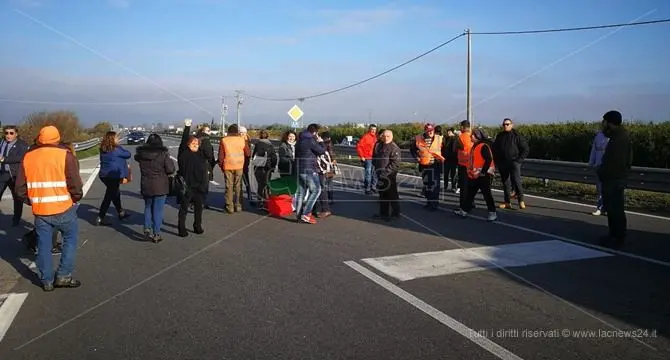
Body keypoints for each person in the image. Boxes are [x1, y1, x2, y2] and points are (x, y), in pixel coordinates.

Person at [14, 126, 83, 291]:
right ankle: (63, 276)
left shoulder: (28, 157)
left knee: (43, 245)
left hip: (41, 211)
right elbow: (75, 185)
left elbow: (19, 190)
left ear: (40, 139)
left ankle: (46, 280)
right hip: (64, 208)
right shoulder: (65, 155)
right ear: (57, 139)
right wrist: (74, 198)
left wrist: (33, 201)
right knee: (70, 240)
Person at [597, 110, 632, 248]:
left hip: (614, 180)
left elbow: (614, 162)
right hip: (616, 179)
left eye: (604, 121)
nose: (603, 125)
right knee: (614, 209)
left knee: (615, 209)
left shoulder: (619, 140)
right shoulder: (620, 137)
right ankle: (615, 235)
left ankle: (616, 237)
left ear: (610, 123)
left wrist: (602, 172)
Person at [134, 133, 176, 242]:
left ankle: (147, 228)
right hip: (160, 185)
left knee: (148, 207)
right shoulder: (163, 154)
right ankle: (156, 234)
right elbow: (171, 169)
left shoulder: (141, 155)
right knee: (158, 210)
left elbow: (136, 158)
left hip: (146, 184)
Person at [453, 128, 497, 221]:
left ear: (477, 136)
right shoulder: (475, 146)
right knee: (470, 194)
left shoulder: (483, 146)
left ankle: (492, 212)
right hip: (476, 175)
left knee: (487, 194)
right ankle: (464, 210)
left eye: (473, 135)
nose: (471, 136)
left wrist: (483, 172)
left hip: (483, 175)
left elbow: (488, 159)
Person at [177, 119, 209, 236]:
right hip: (186, 186)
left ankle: (197, 226)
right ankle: (181, 228)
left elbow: (208, 154)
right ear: (188, 145)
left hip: (199, 186)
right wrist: (187, 127)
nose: (195, 145)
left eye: (197, 143)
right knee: (184, 208)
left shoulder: (200, 154)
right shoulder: (184, 154)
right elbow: (183, 141)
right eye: (193, 143)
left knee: (198, 209)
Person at [493, 118, 529, 210]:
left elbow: (525, 149)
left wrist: (519, 160)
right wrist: (496, 161)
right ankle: (507, 202)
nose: (506, 126)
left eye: (507, 124)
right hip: (503, 163)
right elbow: (495, 149)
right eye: (504, 124)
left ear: (512, 125)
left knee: (516, 181)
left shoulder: (517, 136)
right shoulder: (500, 136)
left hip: (514, 162)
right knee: (506, 183)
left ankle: (521, 200)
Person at [96, 131, 131, 225]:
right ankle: (100, 217)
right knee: (109, 196)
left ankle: (121, 212)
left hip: (104, 175)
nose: (118, 139)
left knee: (115, 193)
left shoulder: (103, 149)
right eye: (117, 138)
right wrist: (119, 146)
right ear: (112, 139)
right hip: (113, 176)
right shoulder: (116, 149)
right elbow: (128, 154)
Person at [294, 123, 326, 224]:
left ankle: (299, 216)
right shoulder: (310, 140)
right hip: (309, 169)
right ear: (315, 132)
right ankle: (306, 214)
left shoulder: (299, 140)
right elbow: (321, 151)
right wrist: (321, 142)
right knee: (316, 190)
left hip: (299, 168)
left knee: (301, 193)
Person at [0, 125, 29, 226]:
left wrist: (4, 159)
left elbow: (21, 158)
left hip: (15, 175)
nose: (8, 135)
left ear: (16, 134)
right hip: (3, 173)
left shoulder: (22, 145)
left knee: (17, 198)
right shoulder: (2, 142)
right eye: (6, 133)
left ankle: (16, 219)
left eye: (11, 133)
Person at [410, 123, 444, 211]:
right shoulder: (418, 138)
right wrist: (416, 157)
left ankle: (434, 204)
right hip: (424, 165)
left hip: (435, 165)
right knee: (427, 184)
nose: (430, 132)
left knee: (435, 185)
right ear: (425, 130)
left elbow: (445, 149)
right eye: (428, 131)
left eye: (431, 130)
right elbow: (412, 149)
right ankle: (429, 202)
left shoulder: (439, 138)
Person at [218, 124, 250, 214]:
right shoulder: (242, 140)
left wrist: (221, 166)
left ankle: (229, 207)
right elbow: (247, 153)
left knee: (229, 186)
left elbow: (221, 155)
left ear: (228, 131)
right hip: (239, 166)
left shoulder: (224, 140)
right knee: (238, 186)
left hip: (228, 166)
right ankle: (238, 205)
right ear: (237, 132)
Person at [372, 130, 401, 220]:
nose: (385, 138)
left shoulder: (394, 147)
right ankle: (383, 213)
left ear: (391, 137)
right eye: (384, 136)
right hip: (380, 174)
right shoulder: (379, 145)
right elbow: (375, 157)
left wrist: (385, 173)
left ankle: (396, 213)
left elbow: (395, 163)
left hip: (389, 176)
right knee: (382, 195)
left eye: (388, 136)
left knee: (391, 195)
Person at [251, 130, 278, 210]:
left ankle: (259, 202)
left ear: (260, 136)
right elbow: (274, 158)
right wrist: (273, 167)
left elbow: (254, 156)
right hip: (267, 168)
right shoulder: (270, 145)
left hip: (258, 167)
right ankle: (266, 202)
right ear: (267, 136)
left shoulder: (257, 144)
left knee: (260, 185)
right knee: (266, 185)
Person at [313, 131, 336, 217]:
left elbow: (326, 155)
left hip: (321, 169)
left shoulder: (322, 145)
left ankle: (324, 208)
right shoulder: (323, 144)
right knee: (322, 187)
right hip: (323, 168)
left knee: (320, 188)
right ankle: (321, 207)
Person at [588, 128, 609, 216]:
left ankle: (608, 208)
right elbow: (594, 149)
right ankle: (600, 208)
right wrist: (591, 161)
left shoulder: (614, 136)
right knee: (600, 188)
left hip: (609, 165)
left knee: (609, 188)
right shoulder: (599, 135)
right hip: (599, 164)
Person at [454, 120, 474, 206]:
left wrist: (457, 137)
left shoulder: (461, 137)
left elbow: (455, 148)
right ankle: (471, 202)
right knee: (471, 185)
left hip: (463, 164)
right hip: (472, 163)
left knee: (463, 186)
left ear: (462, 127)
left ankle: (463, 206)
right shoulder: (473, 135)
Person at [195, 124, 215, 209]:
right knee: (204, 185)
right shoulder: (206, 140)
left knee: (195, 183)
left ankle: (193, 201)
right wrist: (212, 162)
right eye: (208, 130)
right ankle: (201, 203)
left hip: (194, 163)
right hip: (204, 164)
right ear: (203, 131)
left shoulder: (194, 138)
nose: (209, 132)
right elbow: (209, 154)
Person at [356, 124, 378, 194]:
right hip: (368, 158)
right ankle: (367, 188)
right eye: (372, 129)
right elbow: (359, 147)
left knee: (375, 173)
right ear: (369, 129)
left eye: (375, 130)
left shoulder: (376, 137)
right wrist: (362, 156)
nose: (373, 131)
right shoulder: (365, 137)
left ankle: (373, 187)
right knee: (368, 173)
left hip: (375, 158)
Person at [238, 126, 254, 204]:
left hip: (245, 164)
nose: (243, 134)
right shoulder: (238, 140)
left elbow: (248, 153)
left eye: (244, 133)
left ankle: (250, 197)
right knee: (238, 182)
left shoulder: (247, 140)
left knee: (246, 181)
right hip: (238, 164)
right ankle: (239, 199)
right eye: (241, 133)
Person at [443, 128, 459, 192]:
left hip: (453, 160)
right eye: (448, 132)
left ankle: (453, 187)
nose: (448, 133)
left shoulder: (455, 138)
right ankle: (445, 186)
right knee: (446, 174)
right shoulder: (446, 138)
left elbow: (454, 149)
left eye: (449, 132)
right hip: (447, 159)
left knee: (453, 174)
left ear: (452, 132)